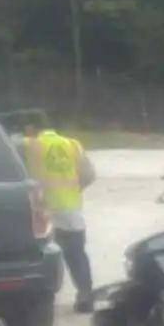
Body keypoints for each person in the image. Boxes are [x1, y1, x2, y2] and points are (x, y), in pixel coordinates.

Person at [21, 114, 98, 312]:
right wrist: (74, 190)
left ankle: (37, 301)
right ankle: (85, 295)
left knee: (38, 255)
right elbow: (89, 175)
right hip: (70, 209)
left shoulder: (29, 145)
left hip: (40, 209)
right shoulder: (73, 145)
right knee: (76, 254)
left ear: (31, 128)